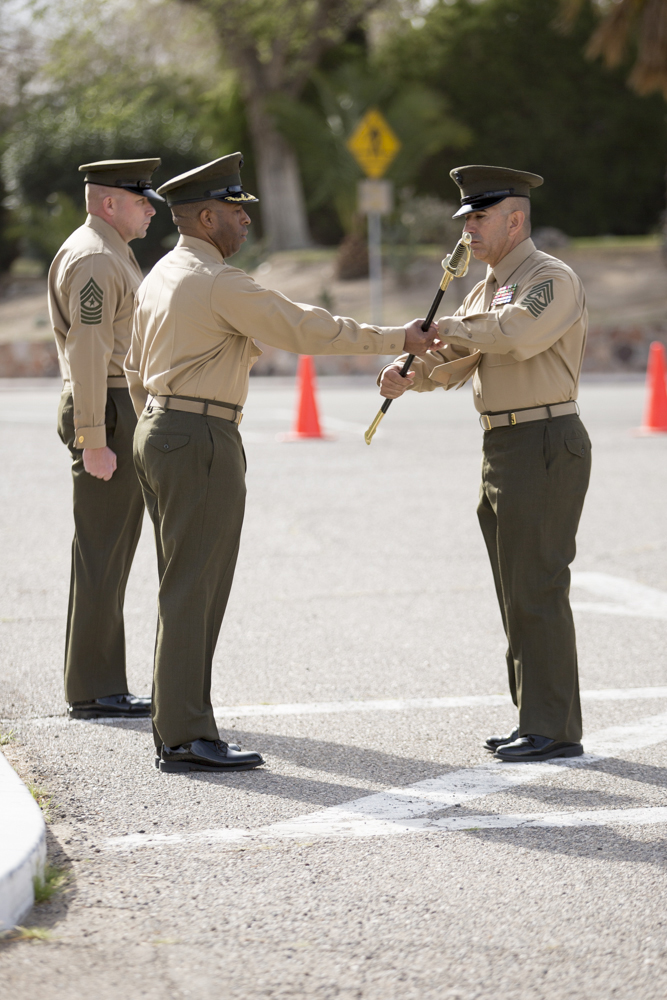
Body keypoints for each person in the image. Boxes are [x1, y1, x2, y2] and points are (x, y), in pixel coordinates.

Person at [125, 152, 440, 773]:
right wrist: (394, 338)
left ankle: (176, 719)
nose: (245, 222)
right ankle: (186, 734)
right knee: (197, 586)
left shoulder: (161, 273)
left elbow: (134, 366)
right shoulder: (218, 281)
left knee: (180, 582)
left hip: (161, 428)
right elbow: (304, 329)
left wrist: (156, 424)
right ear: (207, 216)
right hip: (200, 435)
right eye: (236, 212)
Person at [379, 164, 591, 762]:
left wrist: (445, 326)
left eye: (479, 217)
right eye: (466, 217)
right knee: (514, 588)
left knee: (537, 586)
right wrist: (410, 375)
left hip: (545, 440)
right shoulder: (483, 288)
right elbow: (459, 358)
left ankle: (552, 725)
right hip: (503, 445)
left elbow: (516, 333)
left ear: (515, 219)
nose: (467, 228)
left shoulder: (549, 278)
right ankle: (533, 716)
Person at [48, 158, 164, 720]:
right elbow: (89, 351)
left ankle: (98, 682)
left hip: (118, 404)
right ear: (108, 202)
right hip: (109, 407)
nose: (150, 209)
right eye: (140, 199)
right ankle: (95, 689)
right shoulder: (96, 255)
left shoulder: (110, 248)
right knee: (102, 551)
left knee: (109, 552)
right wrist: (95, 437)